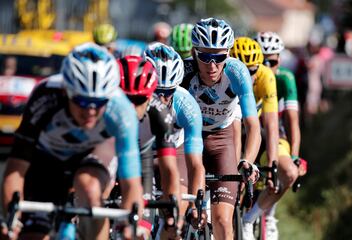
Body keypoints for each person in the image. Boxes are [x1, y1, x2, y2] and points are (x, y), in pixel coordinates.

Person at [1, 43, 142, 240]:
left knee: (90, 188)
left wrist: (130, 225)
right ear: (66, 91)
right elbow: (16, 167)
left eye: (99, 103)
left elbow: (132, 183)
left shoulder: (121, 110)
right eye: (82, 102)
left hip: (94, 153)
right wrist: (11, 221)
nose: (90, 111)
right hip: (46, 159)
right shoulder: (45, 96)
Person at [182, 18, 261, 240]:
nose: (212, 65)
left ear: (228, 53)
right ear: (193, 52)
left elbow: (252, 125)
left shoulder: (237, 72)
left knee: (223, 222)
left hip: (220, 139)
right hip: (187, 138)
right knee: (178, 214)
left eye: (219, 57)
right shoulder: (184, 72)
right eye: (205, 56)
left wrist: (247, 160)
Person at [145, 42, 205, 238]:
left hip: (174, 150)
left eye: (168, 93)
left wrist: (198, 204)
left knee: (175, 209)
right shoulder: (132, 98)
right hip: (141, 152)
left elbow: (195, 164)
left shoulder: (186, 104)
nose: (161, 100)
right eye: (156, 92)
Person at [118, 55, 180, 235]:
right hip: (109, 159)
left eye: (139, 100)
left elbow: (169, 168)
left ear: (151, 94)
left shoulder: (160, 113)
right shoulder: (103, 107)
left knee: (138, 232)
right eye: (126, 99)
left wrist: (171, 208)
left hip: (140, 163)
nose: (131, 108)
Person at [255, 31, 305, 240]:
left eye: (272, 61)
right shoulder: (249, 74)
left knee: (288, 172)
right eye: (262, 60)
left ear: (280, 60)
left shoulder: (285, 78)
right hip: (249, 134)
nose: (267, 66)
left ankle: (267, 215)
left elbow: (292, 121)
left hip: (277, 135)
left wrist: (294, 155)